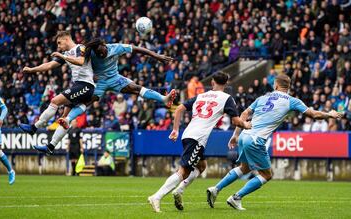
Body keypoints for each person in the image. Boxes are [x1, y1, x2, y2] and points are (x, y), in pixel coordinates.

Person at [206, 74, 344, 211]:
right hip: (255, 140)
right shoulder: (292, 100)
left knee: (245, 168)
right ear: (288, 87)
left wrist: (235, 135)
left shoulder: (262, 98)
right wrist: (329, 114)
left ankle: (215, 189)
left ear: (276, 85)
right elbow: (314, 114)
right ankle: (236, 197)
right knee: (267, 174)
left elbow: (243, 115)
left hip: (244, 135)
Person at [148, 72, 252, 213]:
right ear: (226, 84)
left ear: (213, 82)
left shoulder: (201, 96)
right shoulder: (227, 98)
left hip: (188, 134)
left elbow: (179, 109)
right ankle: (156, 197)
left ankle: (179, 190)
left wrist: (175, 130)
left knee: (201, 166)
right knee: (183, 171)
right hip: (198, 137)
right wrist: (245, 125)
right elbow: (235, 121)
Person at [56, 38, 177, 129]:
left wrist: (156, 56)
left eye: (102, 52)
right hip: (100, 82)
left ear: (104, 45)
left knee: (136, 88)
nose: (101, 55)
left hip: (115, 79)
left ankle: (164, 99)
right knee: (86, 102)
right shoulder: (90, 53)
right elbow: (80, 62)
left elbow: (137, 49)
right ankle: (68, 119)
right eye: (99, 54)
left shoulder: (116, 47)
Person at [18, 31, 95, 155]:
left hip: (86, 86)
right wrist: (32, 70)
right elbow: (49, 65)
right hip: (78, 86)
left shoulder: (80, 48)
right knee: (64, 120)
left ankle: (34, 127)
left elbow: (81, 61)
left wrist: (63, 56)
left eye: (59, 43)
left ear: (66, 39)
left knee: (55, 101)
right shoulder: (65, 54)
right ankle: (50, 147)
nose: (58, 46)